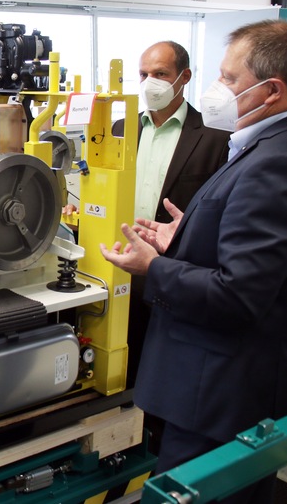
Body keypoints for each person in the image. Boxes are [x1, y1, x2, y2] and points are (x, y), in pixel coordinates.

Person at [100, 19, 287, 504]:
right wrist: (187, 237)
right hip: (233, 389)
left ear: (272, 90)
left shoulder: (278, 161)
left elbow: (239, 295)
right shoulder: (276, 145)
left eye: (230, 78)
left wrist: (154, 268)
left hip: (221, 394)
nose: (221, 88)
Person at [116, 41, 231, 392]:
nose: (150, 82)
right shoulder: (120, 128)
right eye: (143, 74)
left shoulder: (214, 136)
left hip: (175, 268)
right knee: (121, 361)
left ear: (185, 77)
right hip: (121, 260)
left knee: (166, 369)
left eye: (161, 74)